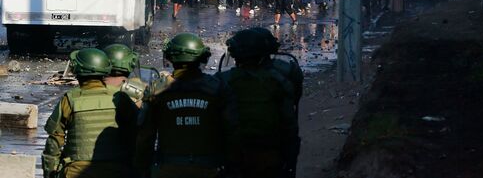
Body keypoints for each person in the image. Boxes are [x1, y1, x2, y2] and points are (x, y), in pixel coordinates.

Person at [135, 33, 240, 178]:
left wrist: (143, 169)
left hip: (168, 168)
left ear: (171, 57)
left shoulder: (157, 88)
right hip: (209, 169)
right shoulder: (217, 87)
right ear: (203, 57)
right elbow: (231, 131)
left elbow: (145, 136)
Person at [42, 48, 138, 178]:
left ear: (77, 70)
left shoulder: (69, 100)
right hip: (116, 171)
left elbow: (53, 142)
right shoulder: (120, 98)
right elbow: (139, 133)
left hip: (76, 172)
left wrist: (50, 173)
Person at [217, 29, 299, 178]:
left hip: (235, 156)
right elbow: (290, 123)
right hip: (271, 155)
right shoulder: (279, 79)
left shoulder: (224, 80)